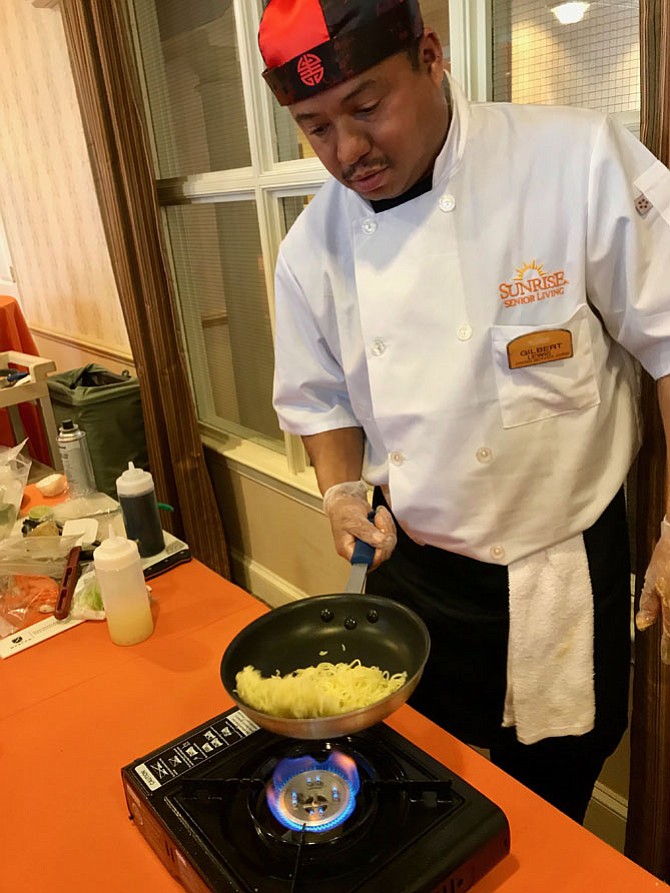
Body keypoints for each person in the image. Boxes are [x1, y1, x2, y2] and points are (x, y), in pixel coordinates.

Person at [259, 0, 670, 823]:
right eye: (314, 127)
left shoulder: (574, 161)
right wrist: (341, 488)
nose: (346, 152)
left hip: (563, 570)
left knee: (551, 803)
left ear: (432, 55)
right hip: (413, 571)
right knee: (426, 792)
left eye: (367, 107)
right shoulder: (313, 246)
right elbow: (320, 396)